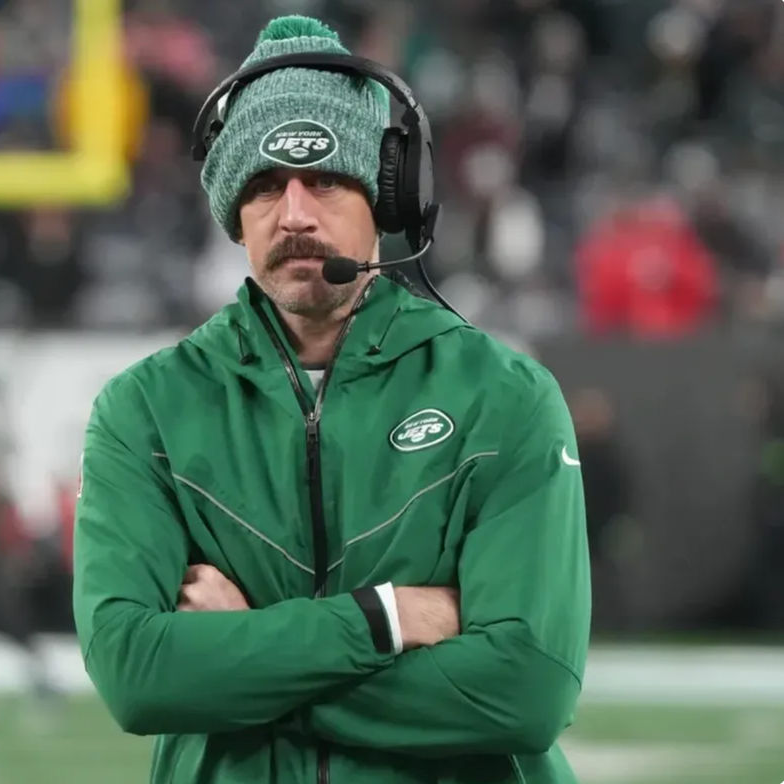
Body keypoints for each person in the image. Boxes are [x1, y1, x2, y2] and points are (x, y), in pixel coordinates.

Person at [74, 15, 591, 784]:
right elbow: (137, 675)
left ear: (387, 192)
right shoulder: (144, 410)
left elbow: (527, 692)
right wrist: (385, 619)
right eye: (262, 186)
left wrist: (248, 657)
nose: (294, 214)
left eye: (323, 179)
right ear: (232, 214)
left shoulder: (504, 399)